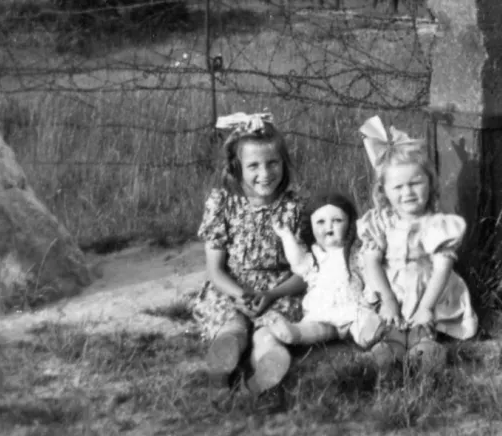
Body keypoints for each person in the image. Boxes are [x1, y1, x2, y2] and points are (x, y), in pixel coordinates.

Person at [193, 111, 306, 393]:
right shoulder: (223, 203)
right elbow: (215, 269)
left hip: (280, 290)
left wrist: (271, 295)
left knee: (270, 332)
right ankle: (222, 369)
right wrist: (239, 295)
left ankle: (263, 374)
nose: (265, 174)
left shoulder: (295, 208)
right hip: (231, 287)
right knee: (233, 326)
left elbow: (305, 272)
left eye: (272, 163)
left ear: (284, 163)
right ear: (236, 167)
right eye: (253, 166)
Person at [356, 115, 479, 373]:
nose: (407, 193)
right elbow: (372, 262)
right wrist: (387, 299)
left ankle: (424, 348)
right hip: (392, 288)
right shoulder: (379, 222)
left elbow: (442, 268)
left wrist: (426, 307)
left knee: (423, 327)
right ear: (384, 192)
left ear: (430, 183)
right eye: (398, 187)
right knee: (389, 324)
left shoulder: (436, 224)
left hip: (428, 290)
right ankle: (391, 349)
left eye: (415, 183)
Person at [270, 191, 384, 348]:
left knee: (365, 320)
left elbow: (369, 274)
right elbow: (298, 262)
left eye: (337, 220)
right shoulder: (315, 256)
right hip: (323, 309)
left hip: (352, 307)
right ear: (311, 226)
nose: (329, 227)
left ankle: (368, 337)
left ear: (349, 223)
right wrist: (286, 236)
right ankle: (295, 333)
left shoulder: (355, 253)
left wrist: (371, 295)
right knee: (315, 327)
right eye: (320, 222)